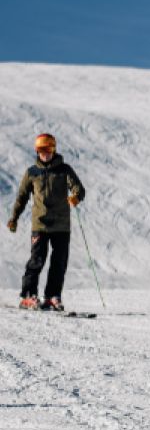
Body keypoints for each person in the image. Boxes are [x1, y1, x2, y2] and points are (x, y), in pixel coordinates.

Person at [7, 133, 86, 311]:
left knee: (59, 262)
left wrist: (75, 197)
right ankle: (28, 296)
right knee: (37, 260)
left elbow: (79, 189)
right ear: (37, 151)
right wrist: (14, 218)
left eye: (49, 149)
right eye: (42, 150)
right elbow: (21, 197)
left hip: (61, 225)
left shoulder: (64, 170)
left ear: (54, 149)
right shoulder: (32, 173)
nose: (46, 153)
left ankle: (52, 296)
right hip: (40, 224)